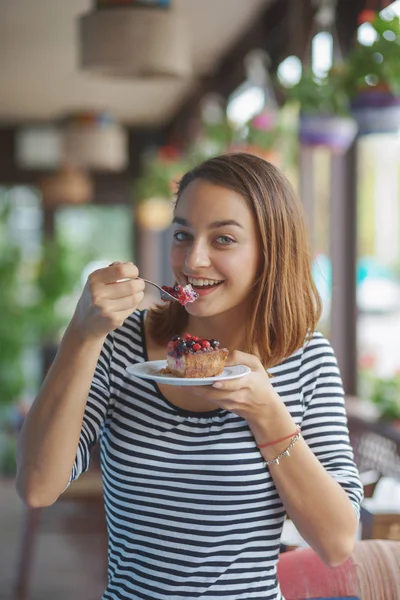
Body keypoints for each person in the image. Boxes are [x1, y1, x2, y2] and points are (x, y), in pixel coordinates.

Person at [16, 153, 363, 600]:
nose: (193, 260)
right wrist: (81, 335)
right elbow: (38, 487)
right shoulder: (120, 345)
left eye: (223, 239)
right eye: (183, 235)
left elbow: (336, 544)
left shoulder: (306, 358)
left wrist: (269, 416)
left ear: (269, 252)